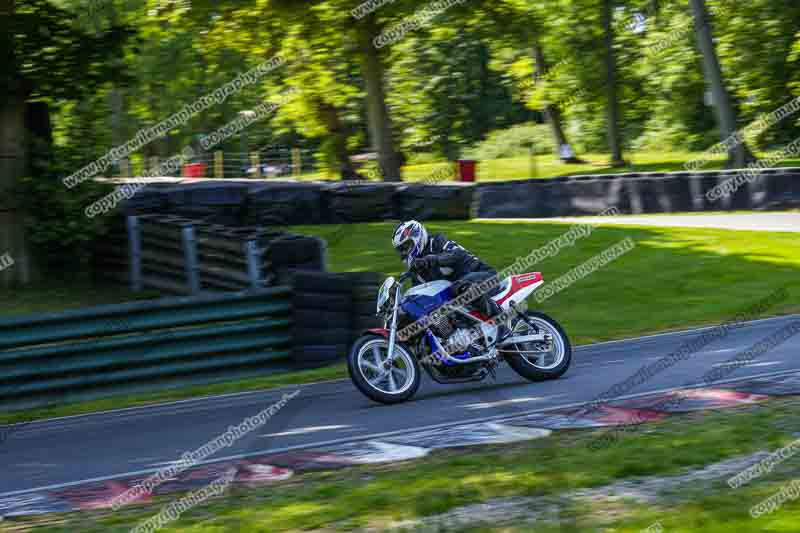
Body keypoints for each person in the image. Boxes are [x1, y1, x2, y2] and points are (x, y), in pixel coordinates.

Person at [391, 220, 506, 334]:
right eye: (401, 250)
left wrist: (432, 259)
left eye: (406, 246)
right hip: (458, 297)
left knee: (460, 286)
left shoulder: (436, 242)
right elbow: (420, 294)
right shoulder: (417, 268)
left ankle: (502, 323)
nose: (404, 252)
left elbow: (456, 255)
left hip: (484, 275)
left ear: (417, 236)